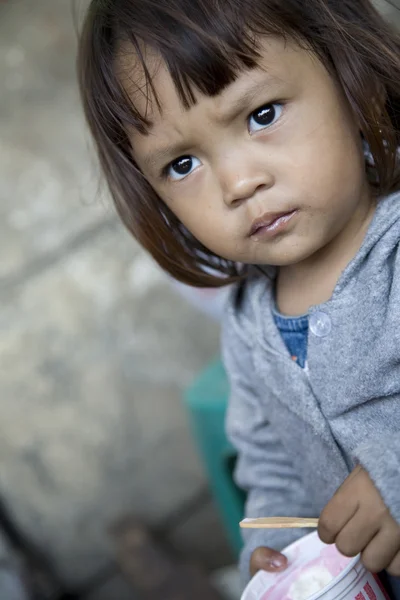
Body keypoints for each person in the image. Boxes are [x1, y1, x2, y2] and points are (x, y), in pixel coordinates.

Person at [77, 0, 400, 596]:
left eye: (262, 113)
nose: (237, 183)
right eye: (182, 163)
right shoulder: (249, 320)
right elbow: (270, 460)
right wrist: (271, 545)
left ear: (347, 74)